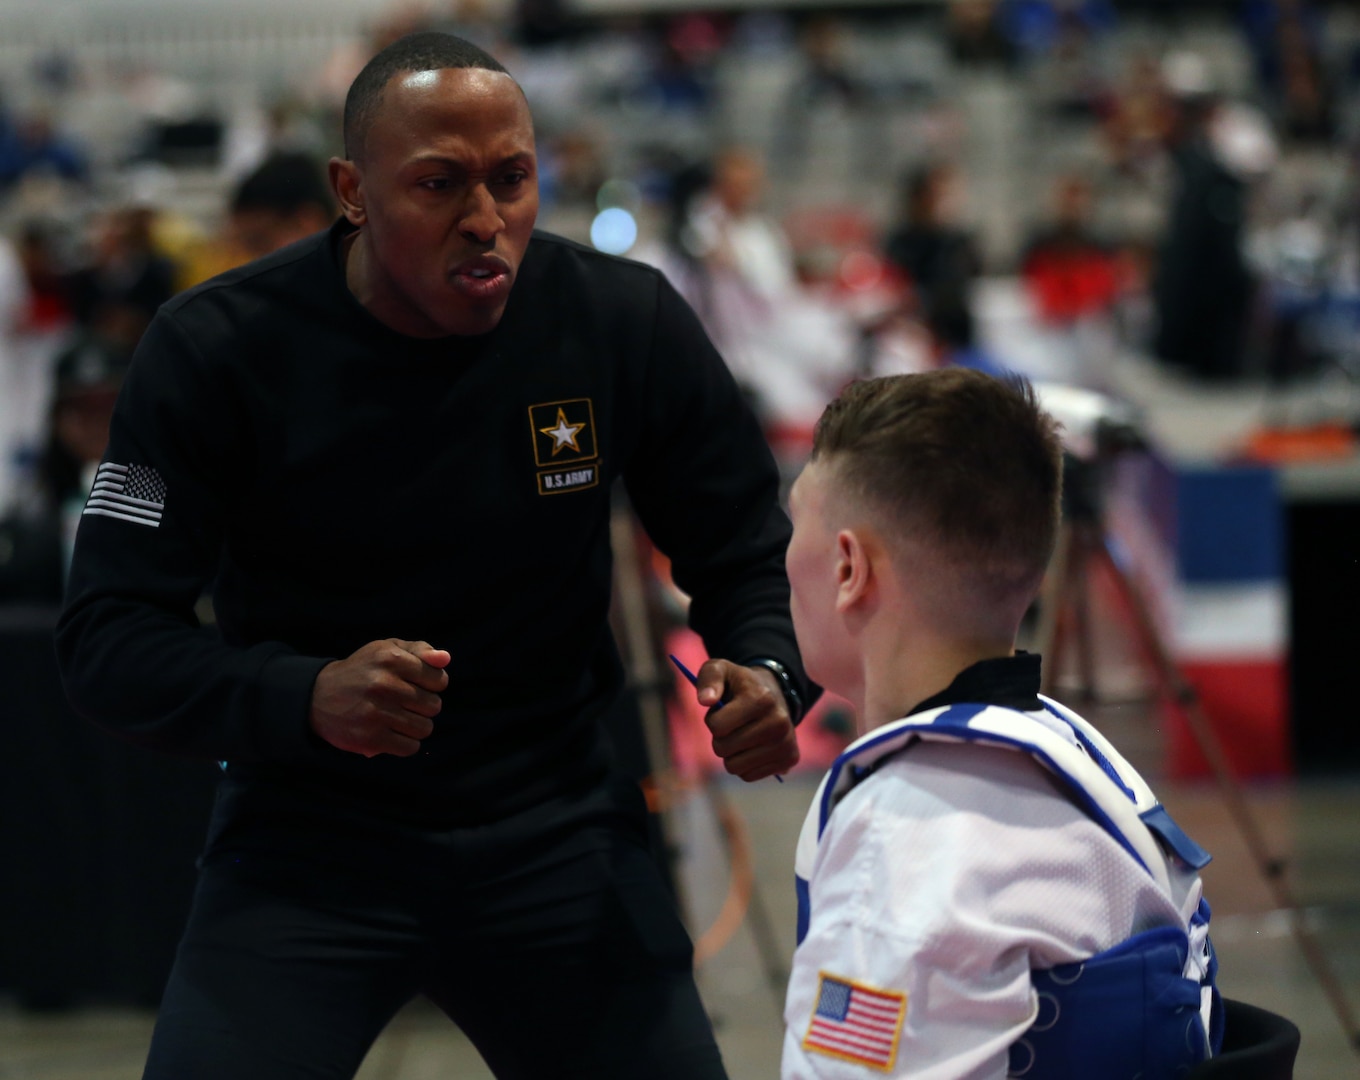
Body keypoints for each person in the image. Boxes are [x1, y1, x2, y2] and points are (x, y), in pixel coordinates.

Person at [55, 31, 813, 1080]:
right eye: (439, 184)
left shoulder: (616, 321)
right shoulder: (211, 350)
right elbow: (105, 640)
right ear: (351, 191)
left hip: (555, 835)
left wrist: (767, 666)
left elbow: (744, 546)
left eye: (512, 179)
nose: (484, 220)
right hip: (304, 845)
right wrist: (304, 695)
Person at [779, 369, 1221, 1078]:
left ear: (847, 567)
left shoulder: (902, 841)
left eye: (794, 522)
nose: (782, 557)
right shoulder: (1081, 754)